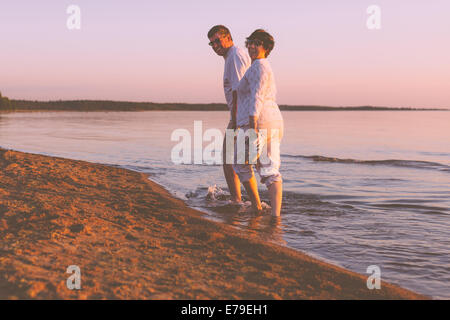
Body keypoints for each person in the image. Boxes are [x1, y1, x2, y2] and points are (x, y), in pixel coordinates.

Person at [233, 29, 284, 216]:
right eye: (250, 42)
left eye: (257, 43)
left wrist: (253, 125)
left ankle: (257, 207)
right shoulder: (263, 66)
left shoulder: (259, 66)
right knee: (270, 169)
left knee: (239, 163)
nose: (252, 46)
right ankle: (275, 216)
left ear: (266, 47)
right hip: (273, 121)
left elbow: (257, 96)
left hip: (258, 121)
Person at [207, 25, 251, 204]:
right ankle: (243, 200)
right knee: (237, 162)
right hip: (241, 116)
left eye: (218, 40)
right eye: (211, 43)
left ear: (228, 37)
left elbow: (238, 91)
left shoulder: (234, 56)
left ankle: (238, 201)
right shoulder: (231, 56)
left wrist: (235, 120)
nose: (215, 45)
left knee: (231, 160)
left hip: (241, 117)